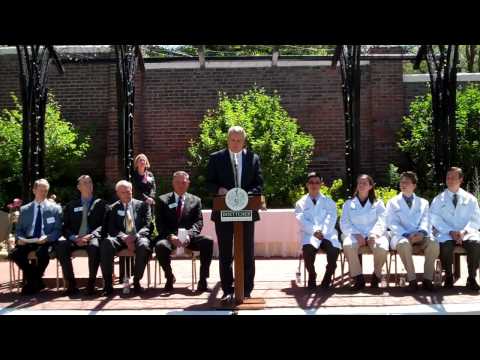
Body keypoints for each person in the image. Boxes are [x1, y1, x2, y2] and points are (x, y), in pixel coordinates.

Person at [206, 125, 263, 303]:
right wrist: (220, 189)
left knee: (247, 251)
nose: (236, 143)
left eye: (239, 140)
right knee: (225, 253)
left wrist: (249, 194)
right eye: (233, 140)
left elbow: (259, 184)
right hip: (223, 212)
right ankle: (227, 289)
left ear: (244, 141)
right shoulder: (216, 158)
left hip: (246, 212)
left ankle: (246, 289)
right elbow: (209, 183)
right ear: (227, 140)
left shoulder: (253, 158)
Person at [155, 171, 214, 292]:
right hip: (170, 238)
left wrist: (189, 235)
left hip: (189, 239)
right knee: (160, 246)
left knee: (208, 241)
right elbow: (159, 223)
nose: (180, 185)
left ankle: (203, 280)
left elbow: (198, 222)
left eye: (183, 182)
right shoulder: (162, 200)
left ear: (188, 184)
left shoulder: (196, 200)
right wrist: (171, 236)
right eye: (177, 182)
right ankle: (169, 277)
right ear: (173, 183)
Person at [55, 175, 108, 296]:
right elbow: (65, 227)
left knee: (95, 247)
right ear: (78, 187)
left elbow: (104, 224)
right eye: (85, 183)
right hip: (75, 238)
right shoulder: (71, 205)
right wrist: (73, 237)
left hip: (92, 238)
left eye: (90, 182)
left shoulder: (101, 204)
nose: (88, 185)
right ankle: (71, 284)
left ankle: (91, 283)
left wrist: (91, 235)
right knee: (61, 247)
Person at [386, 171, 438, 292]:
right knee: (403, 244)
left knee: (434, 243)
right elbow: (391, 222)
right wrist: (407, 234)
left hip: (420, 235)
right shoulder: (392, 202)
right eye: (402, 182)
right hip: (401, 235)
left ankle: (427, 279)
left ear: (414, 185)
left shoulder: (423, 202)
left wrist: (422, 233)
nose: (403, 185)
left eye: (407, 182)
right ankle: (412, 280)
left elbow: (426, 220)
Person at [430, 167, 480, 291]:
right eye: (448, 178)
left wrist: (464, 231)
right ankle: (448, 276)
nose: (450, 180)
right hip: (446, 232)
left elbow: (476, 219)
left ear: (461, 180)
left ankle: (472, 278)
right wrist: (450, 231)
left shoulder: (471, 199)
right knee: (445, 245)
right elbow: (434, 219)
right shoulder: (438, 199)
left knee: (475, 243)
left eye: (453, 177)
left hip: (466, 232)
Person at [9, 179, 62, 295]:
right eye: (40, 190)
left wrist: (48, 238)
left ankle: (32, 282)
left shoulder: (55, 209)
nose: (43, 193)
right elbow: (18, 230)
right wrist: (19, 239)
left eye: (45, 191)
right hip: (28, 240)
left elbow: (58, 230)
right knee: (15, 254)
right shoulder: (24, 209)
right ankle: (36, 280)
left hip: (45, 240)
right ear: (34, 190)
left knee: (43, 254)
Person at [100, 180, 152, 295]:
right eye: (123, 192)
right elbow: (111, 228)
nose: (127, 194)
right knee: (107, 243)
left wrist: (135, 236)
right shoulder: (112, 208)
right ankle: (108, 285)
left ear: (132, 191)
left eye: (129, 192)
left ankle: (137, 281)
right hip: (119, 238)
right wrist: (124, 237)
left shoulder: (143, 205)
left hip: (138, 236)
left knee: (144, 245)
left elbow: (148, 225)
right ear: (118, 193)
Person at [340, 174, 389, 291]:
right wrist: (356, 234)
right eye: (359, 183)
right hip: (354, 234)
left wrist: (374, 234)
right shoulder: (348, 204)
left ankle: (376, 276)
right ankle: (358, 277)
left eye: (364, 183)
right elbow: (344, 222)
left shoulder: (378, 203)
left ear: (370, 186)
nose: (361, 185)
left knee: (381, 247)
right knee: (348, 245)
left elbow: (383, 221)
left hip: (375, 234)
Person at [295, 172, 341, 290]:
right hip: (309, 234)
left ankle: (327, 277)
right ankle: (312, 275)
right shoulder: (301, 203)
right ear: (307, 185)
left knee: (334, 250)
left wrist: (323, 232)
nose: (314, 185)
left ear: (321, 184)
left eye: (317, 182)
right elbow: (301, 219)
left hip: (328, 233)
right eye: (311, 183)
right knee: (308, 249)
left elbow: (331, 218)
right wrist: (315, 231)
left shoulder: (329, 201)